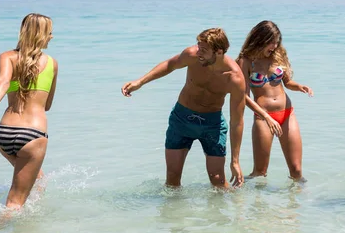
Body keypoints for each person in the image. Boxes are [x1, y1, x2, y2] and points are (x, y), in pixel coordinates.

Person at [121, 28, 246, 188]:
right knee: (172, 180)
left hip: (212, 124)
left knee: (218, 182)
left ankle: (237, 208)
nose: (198, 52)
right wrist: (140, 82)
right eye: (198, 47)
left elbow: (237, 121)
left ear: (219, 52)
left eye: (204, 50)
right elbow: (169, 65)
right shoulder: (192, 56)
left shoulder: (234, 78)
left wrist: (235, 161)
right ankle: (172, 213)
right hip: (182, 118)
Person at [0, 13, 58, 210]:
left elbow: (3, 81)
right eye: (50, 33)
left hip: (5, 135)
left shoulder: (8, 57)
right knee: (14, 203)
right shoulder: (52, 64)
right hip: (33, 136)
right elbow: (47, 106)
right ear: (41, 34)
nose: (52, 37)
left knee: (39, 181)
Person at [236, 20, 313, 182]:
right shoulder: (246, 61)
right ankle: (246, 199)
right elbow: (243, 96)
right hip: (264, 118)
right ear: (260, 39)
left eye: (277, 42)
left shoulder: (278, 55)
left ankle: (297, 204)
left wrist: (299, 86)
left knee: (297, 170)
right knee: (260, 172)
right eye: (272, 42)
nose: (275, 46)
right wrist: (266, 117)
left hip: (287, 113)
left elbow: (287, 82)